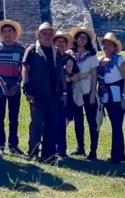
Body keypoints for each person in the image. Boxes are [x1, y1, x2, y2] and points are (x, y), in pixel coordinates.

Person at [23, 22, 66, 163]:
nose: (47, 36)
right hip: (37, 94)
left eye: (49, 33)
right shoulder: (32, 50)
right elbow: (25, 70)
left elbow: (60, 72)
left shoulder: (56, 52)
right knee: (36, 124)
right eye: (44, 33)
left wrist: (63, 91)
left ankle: (48, 154)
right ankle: (33, 153)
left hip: (53, 94)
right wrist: (27, 90)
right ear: (39, 34)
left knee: (51, 124)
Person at [97, 32, 125, 165]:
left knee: (117, 125)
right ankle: (120, 153)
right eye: (104, 44)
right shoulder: (100, 60)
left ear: (114, 47)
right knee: (115, 125)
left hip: (117, 97)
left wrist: (124, 97)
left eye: (109, 44)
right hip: (105, 97)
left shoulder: (119, 59)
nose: (106, 46)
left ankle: (116, 156)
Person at [0, 19, 25, 156]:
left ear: (14, 33)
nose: (7, 34)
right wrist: (2, 85)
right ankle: (0, 145)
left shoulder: (21, 49)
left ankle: (13, 145)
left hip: (14, 88)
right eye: (4, 31)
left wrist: (17, 85)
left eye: (9, 31)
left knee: (13, 117)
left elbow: (23, 69)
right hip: (0, 88)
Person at [68, 27, 100, 160]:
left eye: (84, 38)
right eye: (79, 38)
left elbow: (94, 76)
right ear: (75, 39)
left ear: (88, 41)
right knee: (78, 121)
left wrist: (93, 92)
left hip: (88, 92)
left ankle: (93, 150)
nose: (81, 40)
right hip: (75, 91)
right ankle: (80, 147)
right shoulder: (71, 54)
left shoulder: (91, 57)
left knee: (92, 121)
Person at [53, 30, 74, 158]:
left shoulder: (69, 59)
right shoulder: (50, 56)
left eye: (63, 42)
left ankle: (61, 149)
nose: (60, 44)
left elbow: (73, 76)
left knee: (62, 121)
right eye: (58, 41)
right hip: (51, 92)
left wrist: (68, 73)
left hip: (65, 93)